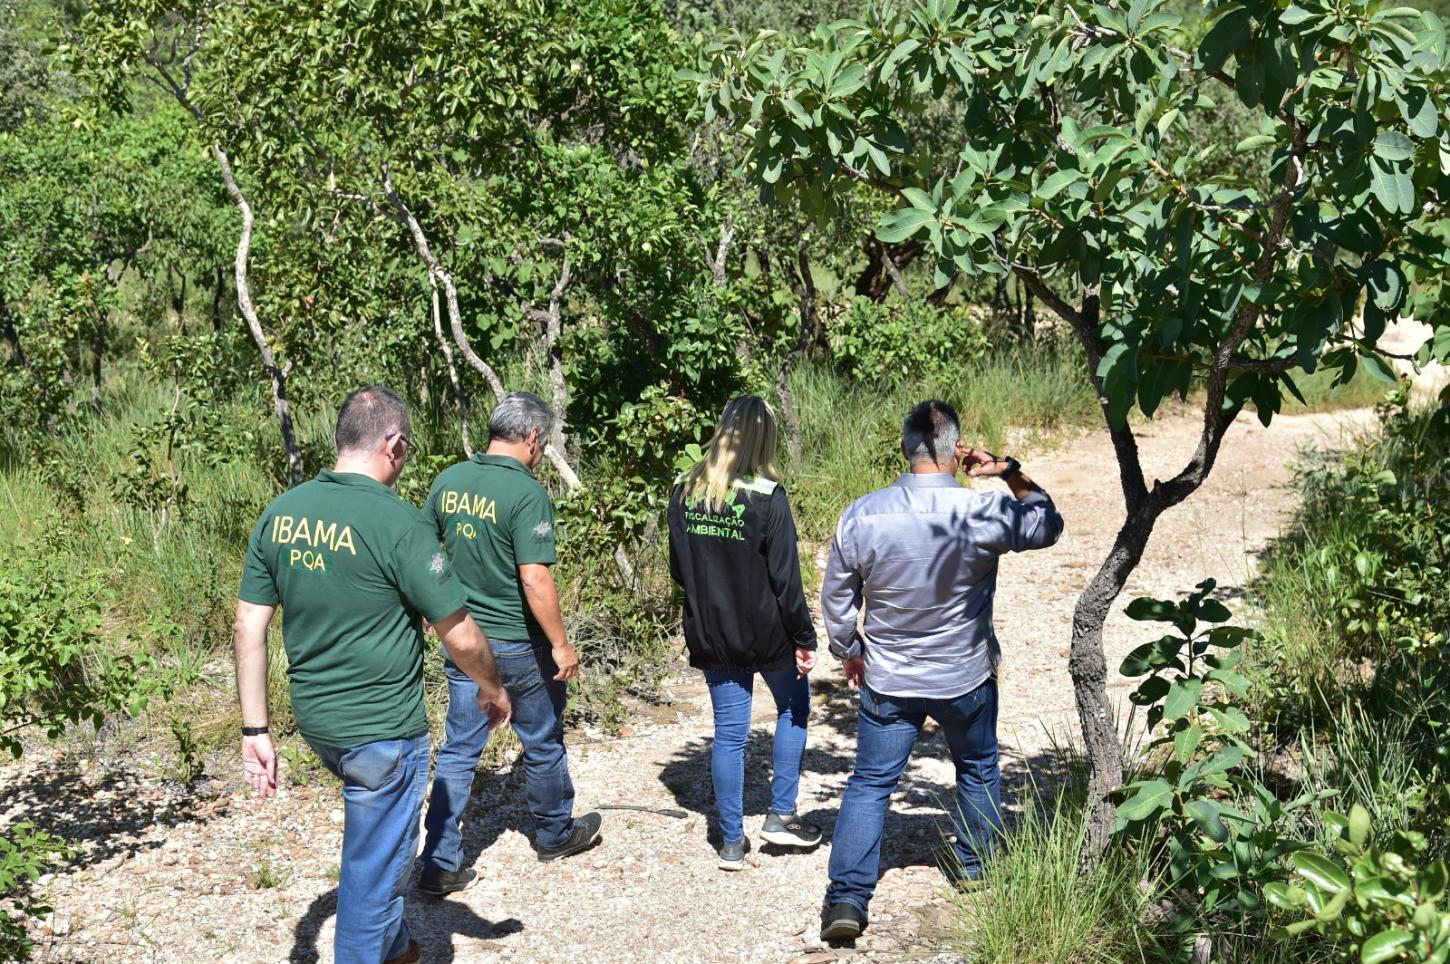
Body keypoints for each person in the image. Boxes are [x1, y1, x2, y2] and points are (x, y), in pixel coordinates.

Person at [233, 386, 511, 964]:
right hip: (381, 729)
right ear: (394, 445)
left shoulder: (280, 514)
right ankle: (371, 948)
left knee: (376, 848)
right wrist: (492, 685)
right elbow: (459, 634)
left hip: (318, 724)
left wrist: (255, 732)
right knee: (372, 875)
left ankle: (396, 946)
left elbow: (247, 628)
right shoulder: (399, 523)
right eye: (405, 454)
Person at [817, 400, 1064, 942]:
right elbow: (1048, 523)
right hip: (964, 674)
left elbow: (836, 597)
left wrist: (848, 651)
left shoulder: (864, 513)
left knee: (871, 783)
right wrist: (1010, 471)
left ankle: (848, 899)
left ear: (905, 450)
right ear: (958, 450)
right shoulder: (983, 513)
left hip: (889, 676)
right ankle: (976, 870)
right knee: (977, 767)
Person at [418, 391, 602, 893]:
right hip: (518, 644)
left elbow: (418, 551)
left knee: (459, 749)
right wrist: (561, 644)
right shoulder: (526, 493)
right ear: (533, 437)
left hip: (463, 639)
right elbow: (534, 577)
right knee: (541, 740)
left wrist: (431, 609)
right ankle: (554, 833)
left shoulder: (449, 480)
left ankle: (438, 861)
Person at [667, 394, 821, 871]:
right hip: (769, 631)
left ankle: (732, 841)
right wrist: (804, 636)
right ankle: (780, 814)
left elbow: (678, 568)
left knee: (728, 735)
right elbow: (786, 580)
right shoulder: (768, 496)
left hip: (714, 631)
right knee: (793, 708)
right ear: (764, 438)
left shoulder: (683, 490)